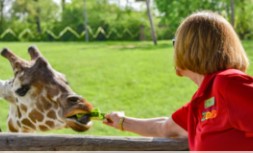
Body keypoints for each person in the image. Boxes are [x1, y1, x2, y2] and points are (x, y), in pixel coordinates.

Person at [103, 11, 253, 151]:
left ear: (193, 48)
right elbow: (164, 127)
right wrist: (121, 121)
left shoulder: (228, 83)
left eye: (176, 43)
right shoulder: (203, 98)